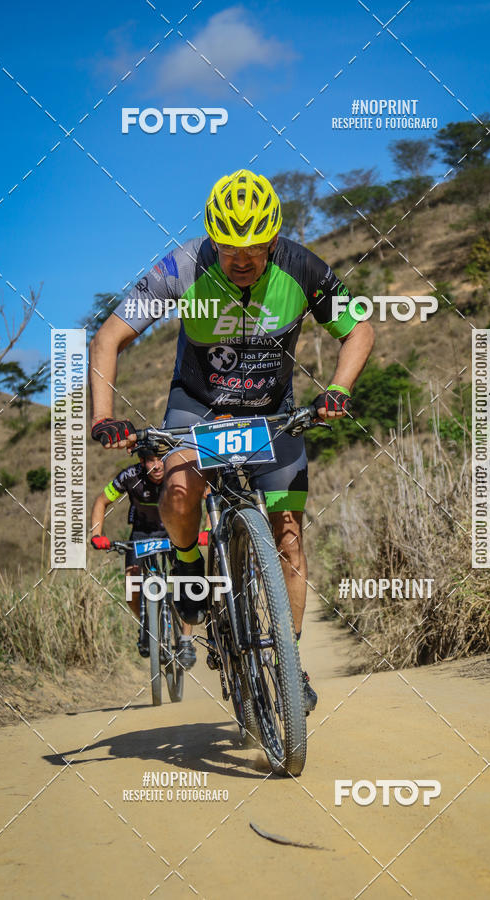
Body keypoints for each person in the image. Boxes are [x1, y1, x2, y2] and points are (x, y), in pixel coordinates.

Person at [89, 169, 374, 713]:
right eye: (229, 249)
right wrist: (104, 419)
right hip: (197, 406)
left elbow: (359, 327)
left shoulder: (301, 266)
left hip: (272, 413)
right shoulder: (183, 266)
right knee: (177, 492)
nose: (241, 259)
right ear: (212, 238)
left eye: (254, 249)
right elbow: (109, 338)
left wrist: (337, 389)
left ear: (273, 238)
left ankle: (288, 662)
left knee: (288, 532)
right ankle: (191, 557)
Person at [89, 444, 197, 668]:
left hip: (174, 529)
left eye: (161, 459)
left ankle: (186, 640)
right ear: (142, 463)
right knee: (132, 586)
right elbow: (101, 501)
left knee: (185, 582)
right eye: (151, 460)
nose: (157, 465)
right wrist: (97, 534)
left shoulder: (176, 473)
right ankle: (147, 625)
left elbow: (205, 494)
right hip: (142, 532)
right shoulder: (129, 476)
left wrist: (204, 530)